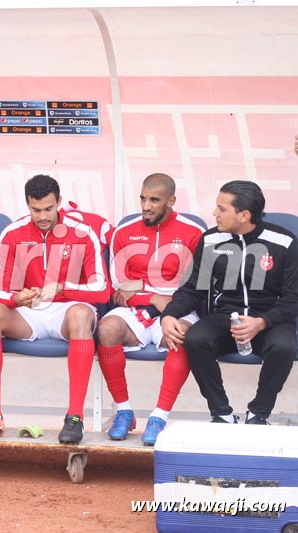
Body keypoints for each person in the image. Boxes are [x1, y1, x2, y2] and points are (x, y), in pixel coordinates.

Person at [0, 174, 109, 443]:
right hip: (29, 311)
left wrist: (62, 288)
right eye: (36, 210)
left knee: (82, 316)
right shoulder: (13, 232)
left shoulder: (83, 232)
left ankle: (74, 417)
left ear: (59, 201)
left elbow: (102, 289)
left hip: (68, 309)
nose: (43, 216)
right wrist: (17, 298)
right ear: (27, 204)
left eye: (48, 208)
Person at [161, 180, 298, 425]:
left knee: (284, 348)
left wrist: (261, 322)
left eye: (221, 208)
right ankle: (221, 414)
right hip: (225, 316)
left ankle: (259, 413)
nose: (215, 214)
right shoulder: (212, 240)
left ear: (244, 215)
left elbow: (292, 300)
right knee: (195, 339)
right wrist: (169, 315)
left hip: (269, 319)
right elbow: (194, 288)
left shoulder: (284, 242)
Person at [96, 173, 203, 445]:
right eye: (143, 198)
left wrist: (167, 303)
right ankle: (124, 412)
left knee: (181, 334)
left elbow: (196, 287)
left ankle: (159, 416)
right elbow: (119, 289)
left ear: (171, 201)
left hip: (177, 308)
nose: (146, 206)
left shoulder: (193, 233)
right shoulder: (124, 231)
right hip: (136, 308)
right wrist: (153, 298)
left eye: (154, 200)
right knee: (107, 329)